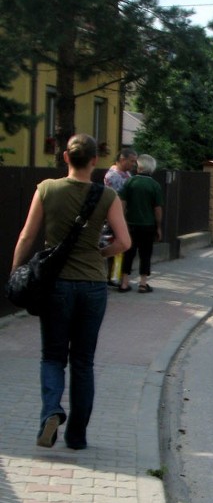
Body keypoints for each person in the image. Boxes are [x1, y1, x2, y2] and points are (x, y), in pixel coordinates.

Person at [10, 134, 131, 449]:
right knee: (83, 361)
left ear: (66, 157)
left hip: (56, 286)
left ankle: (51, 411)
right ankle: (77, 436)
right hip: (92, 286)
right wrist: (98, 255)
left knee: (52, 356)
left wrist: (16, 272)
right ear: (94, 160)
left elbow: (26, 236)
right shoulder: (106, 196)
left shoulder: (47, 189)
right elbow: (124, 243)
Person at [118, 154, 164, 293]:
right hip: (147, 225)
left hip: (130, 224)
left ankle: (124, 283)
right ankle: (143, 283)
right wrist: (159, 226)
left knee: (128, 253)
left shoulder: (130, 182)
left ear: (139, 167)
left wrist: (122, 220)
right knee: (145, 253)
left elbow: (122, 203)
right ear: (151, 169)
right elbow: (157, 208)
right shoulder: (155, 185)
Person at [103, 148, 137, 286]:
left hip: (123, 216)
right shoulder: (113, 176)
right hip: (115, 217)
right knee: (116, 246)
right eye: (131, 161)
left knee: (121, 247)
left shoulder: (125, 173)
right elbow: (119, 198)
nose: (133, 164)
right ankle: (112, 277)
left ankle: (114, 275)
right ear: (122, 159)